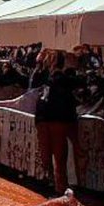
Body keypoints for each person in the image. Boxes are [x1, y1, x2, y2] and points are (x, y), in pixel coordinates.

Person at [34, 52, 80, 194]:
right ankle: (57, 186)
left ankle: (57, 186)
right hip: (54, 120)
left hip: (51, 120)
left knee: (55, 157)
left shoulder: (54, 79)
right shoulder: (54, 78)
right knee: (56, 157)